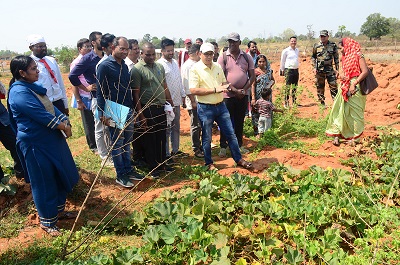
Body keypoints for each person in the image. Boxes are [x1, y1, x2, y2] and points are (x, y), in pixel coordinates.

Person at [8, 55, 79, 236]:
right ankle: (47, 221)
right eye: (33, 69)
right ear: (22, 73)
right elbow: (40, 114)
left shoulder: (33, 88)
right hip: (35, 142)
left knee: (60, 172)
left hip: (51, 139)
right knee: (43, 180)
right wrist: (62, 126)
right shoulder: (18, 92)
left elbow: (50, 107)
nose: (37, 71)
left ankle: (58, 211)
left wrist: (65, 121)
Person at [189, 43, 252, 171]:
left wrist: (233, 89)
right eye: (206, 54)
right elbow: (194, 89)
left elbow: (224, 82)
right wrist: (214, 89)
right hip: (205, 108)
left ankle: (238, 159)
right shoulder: (195, 69)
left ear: (214, 54)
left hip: (221, 106)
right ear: (199, 54)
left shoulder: (217, 66)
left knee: (231, 134)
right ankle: (209, 163)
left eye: (211, 54)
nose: (208, 56)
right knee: (207, 137)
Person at [97, 37, 144, 188]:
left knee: (127, 142)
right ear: (113, 47)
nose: (124, 52)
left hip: (127, 109)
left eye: (126, 49)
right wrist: (102, 113)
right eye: (122, 49)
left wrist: (133, 110)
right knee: (117, 144)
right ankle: (121, 174)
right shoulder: (104, 66)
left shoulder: (124, 66)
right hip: (113, 109)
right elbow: (100, 91)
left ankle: (128, 169)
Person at [130, 42, 174, 179]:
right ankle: (152, 167)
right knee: (150, 139)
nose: (150, 57)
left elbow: (164, 85)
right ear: (141, 54)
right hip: (147, 108)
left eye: (153, 54)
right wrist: (140, 114)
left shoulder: (159, 67)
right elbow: (135, 94)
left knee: (161, 137)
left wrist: (170, 101)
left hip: (160, 107)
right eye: (147, 54)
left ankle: (162, 164)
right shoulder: (137, 69)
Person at [69, 32, 112, 166]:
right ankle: (104, 156)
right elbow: (72, 76)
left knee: (110, 125)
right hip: (96, 97)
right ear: (93, 42)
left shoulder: (107, 56)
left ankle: (111, 150)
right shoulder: (88, 58)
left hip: (110, 96)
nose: (103, 41)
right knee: (100, 127)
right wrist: (86, 87)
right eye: (100, 39)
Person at [217, 32, 255, 157]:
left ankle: (239, 144)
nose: (232, 44)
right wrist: (234, 90)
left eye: (234, 41)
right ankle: (223, 146)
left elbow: (252, 76)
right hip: (228, 96)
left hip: (242, 96)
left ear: (239, 42)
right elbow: (221, 77)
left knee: (239, 121)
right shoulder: (223, 57)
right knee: (225, 122)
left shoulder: (246, 57)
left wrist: (243, 90)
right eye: (230, 41)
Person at [325, 38, 369, 146]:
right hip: (345, 85)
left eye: (342, 48)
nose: (341, 50)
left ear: (348, 45)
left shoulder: (359, 55)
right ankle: (337, 134)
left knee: (355, 112)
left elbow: (365, 72)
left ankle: (355, 137)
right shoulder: (344, 57)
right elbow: (345, 73)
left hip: (355, 86)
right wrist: (340, 75)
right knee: (339, 109)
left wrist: (354, 83)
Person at [157, 38, 186, 159]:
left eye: (172, 50)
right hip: (166, 104)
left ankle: (175, 150)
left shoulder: (174, 62)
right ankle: (166, 154)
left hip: (177, 101)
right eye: (168, 50)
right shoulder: (159, 65)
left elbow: (179, 80)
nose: (171, 52)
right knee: (167, 129)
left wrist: (183, 95)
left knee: (176, 127)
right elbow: (161, 85)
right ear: (162, 51)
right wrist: (167, 101)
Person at [27, 34, 69, 115]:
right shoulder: (29, 63)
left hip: (58, 100)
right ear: (31, 48)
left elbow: (60, 83)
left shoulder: (52, 61)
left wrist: (65, 104)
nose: (43, 48)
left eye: (44, 46)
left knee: (65, 125)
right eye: (39, 46)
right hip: (43, 102)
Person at [69, 38, 97, 153]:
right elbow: (73, 83)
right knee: (89, 122)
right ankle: (93, 146)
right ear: (80, 49)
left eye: (90, 46)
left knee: (96, 120)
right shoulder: (77, 63)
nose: (89, 49)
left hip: (93, 96)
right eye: (86, 47)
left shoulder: (91, 60)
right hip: (84, 96)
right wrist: (79, 100)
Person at [181, 44, 204, 158]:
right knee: (196, 125)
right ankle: (196, 148)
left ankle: (201, 146)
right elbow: (187, 86)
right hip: (193, 101)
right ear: (197, 53)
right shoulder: (188, 66)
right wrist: (193, 101)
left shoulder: (197, 64)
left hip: (201, 100)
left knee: (201, 124)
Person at [0, 82, 24, 180]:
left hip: (2, 118)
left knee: (15, 144)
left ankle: (21, 174)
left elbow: (2, 91)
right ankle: (1, 181)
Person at [312, 30, 339, 106]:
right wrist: (314, 67)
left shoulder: (333, 45)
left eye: (324, 36)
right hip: (319, 70)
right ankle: (322, 102)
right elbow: (313, 57)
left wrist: (337, 69)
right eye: (321, 36)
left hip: (330, 70)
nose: (322, 38)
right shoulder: (316, 45)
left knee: (333, 86)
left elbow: (336, 58)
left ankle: (335, 102)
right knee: (320, 87)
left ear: (327, 36)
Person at [251, 54, 275, 136]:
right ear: (257, 62)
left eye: (263, 61)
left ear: (266, 62)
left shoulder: (269, 71)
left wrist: (269, 85)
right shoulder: (255, 72)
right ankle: (257, 131)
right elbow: (253, 85)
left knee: (267, 110)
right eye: (260, 61)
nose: (261, 63)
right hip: (258, 95)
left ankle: (267, 132)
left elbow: (273, 80)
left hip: (267, 95)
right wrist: (253, 98)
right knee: (257, 111)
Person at [280, 36, 300, 108]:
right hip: (288, 70)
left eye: (294, 41)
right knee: (288, 87)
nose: (293, 42)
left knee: (295, 87)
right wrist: (282, 70)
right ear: (289, 42)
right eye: (292, 41)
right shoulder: (286, 51)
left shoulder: (297, 50)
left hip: (296, 70)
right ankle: (286, 103)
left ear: (296, 42)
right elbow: (282, 61)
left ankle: (294, 102)